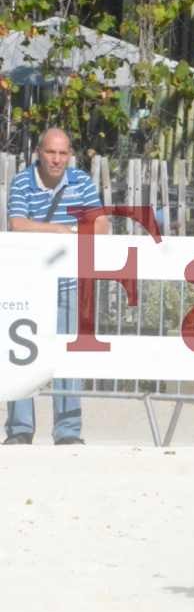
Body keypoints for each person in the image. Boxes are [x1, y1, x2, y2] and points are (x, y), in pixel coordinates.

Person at [6, 128, 108, 445]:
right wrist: (60, 230)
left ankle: (67, 431)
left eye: (63, 153)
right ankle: (20, 430)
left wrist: (67, 231)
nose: (57, 159)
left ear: (70, 155)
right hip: (27, 285)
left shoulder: (81, 182)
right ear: (39, 152)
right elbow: (16, 224)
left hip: (68, 283)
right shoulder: (22, 181)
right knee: (22, 356)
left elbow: (101, 224)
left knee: (67, 358)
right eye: (51, 152)